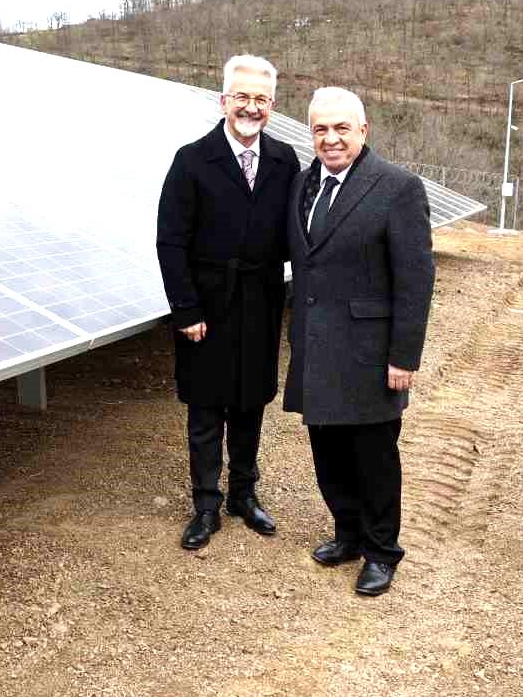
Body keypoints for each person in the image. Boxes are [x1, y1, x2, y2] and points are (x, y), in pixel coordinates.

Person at [284, 88, 434, 596]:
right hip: (316, 348)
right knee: (327, 453)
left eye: (342, 128)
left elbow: (415, 279)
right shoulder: (303, 185)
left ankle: (381, 551)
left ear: (363, 131)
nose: (331, 139)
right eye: (321, 129)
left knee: (373, 458)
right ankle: (346, 534)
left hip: (370, 354)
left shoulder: (398, 188)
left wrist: (403, 356)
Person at [156, 55, 299, 550]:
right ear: (223, 101)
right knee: (205, 410)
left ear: (272, 107)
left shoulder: (285, 161)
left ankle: (244, 495)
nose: (251, 107)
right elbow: (170, 242)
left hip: (261, 304)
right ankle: (205, 506)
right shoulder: (191, 160)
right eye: (242, 96)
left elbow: (294, 236)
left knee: (249, 405)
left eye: (261, 99)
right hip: (207, 309)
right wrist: (186, 310)